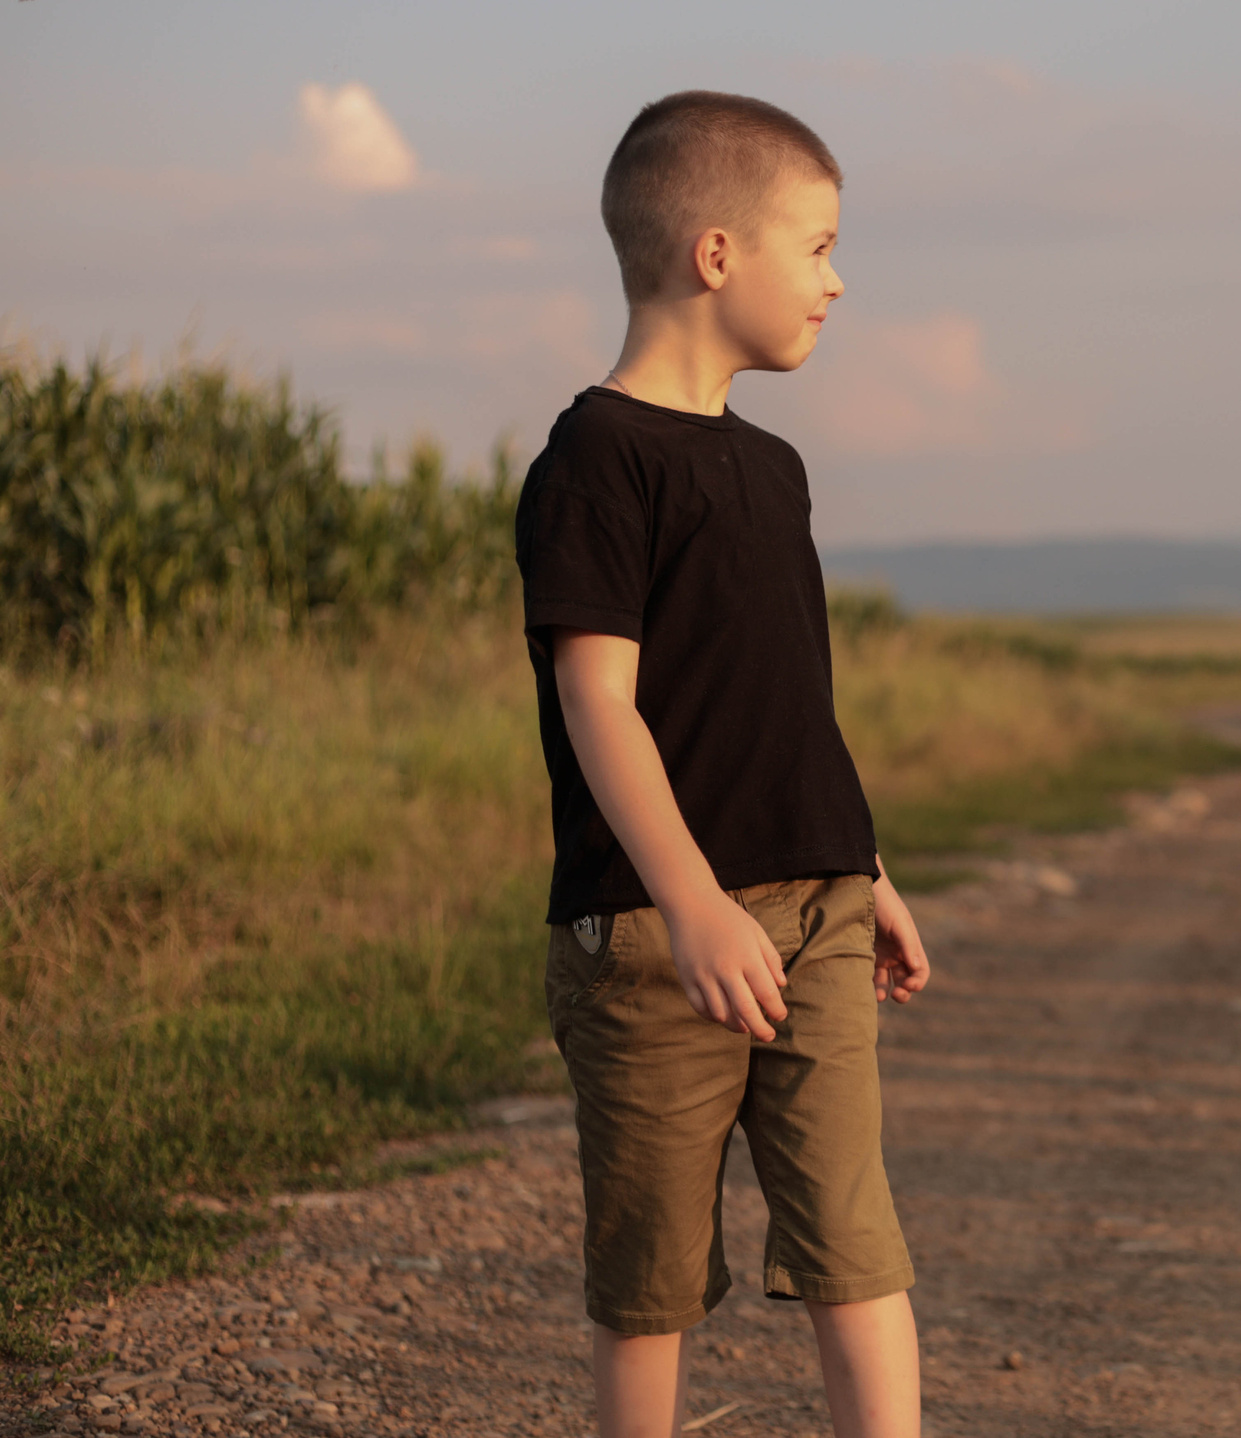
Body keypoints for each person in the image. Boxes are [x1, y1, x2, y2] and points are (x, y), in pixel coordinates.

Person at [513, 90, 928, 1438]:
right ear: (714, 254)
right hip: (652, 930)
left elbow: (789, 701)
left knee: (856, 1242)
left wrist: (868, 868)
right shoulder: (597, 460)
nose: (836, 278)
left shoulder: (777, 468)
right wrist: (691, 903)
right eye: (815, 247)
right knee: (651, 1278)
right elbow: (599, 700)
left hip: (815, 914)